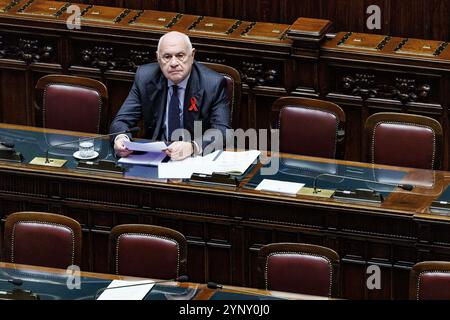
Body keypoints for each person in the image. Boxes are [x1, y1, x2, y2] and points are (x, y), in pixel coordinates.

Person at [110, 31, 231, 160]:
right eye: (167, 56)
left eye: (180, 55)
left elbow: (222, 131)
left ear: (192, 55)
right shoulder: (145, 78)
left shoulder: (212, 84)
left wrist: (192, 147)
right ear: (158, 57)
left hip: (194, 159)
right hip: (156, 156)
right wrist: (121, 138)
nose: (174, 63)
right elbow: (121, 121)